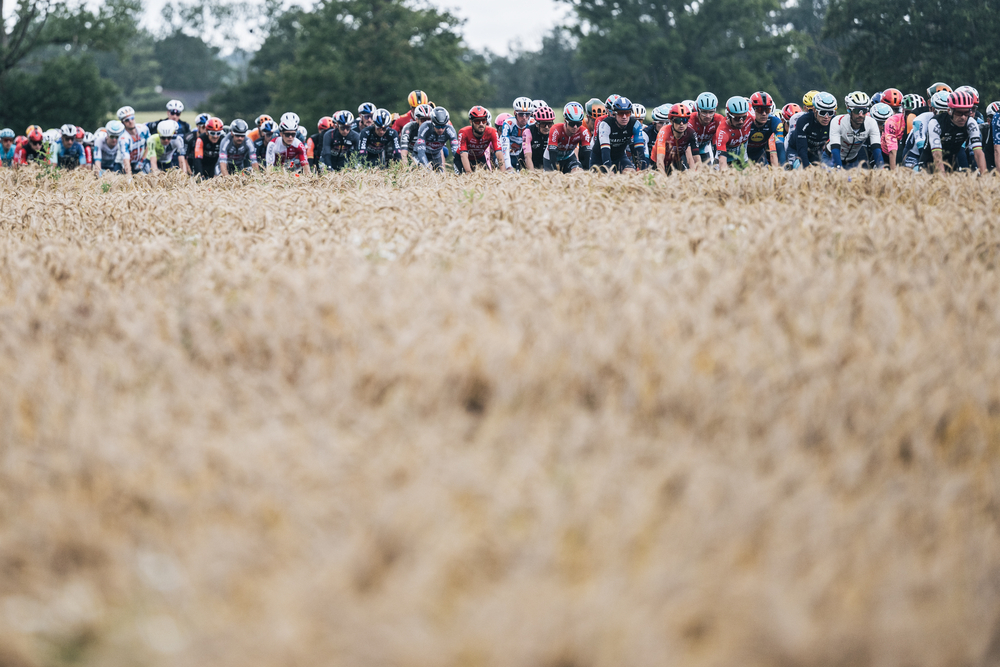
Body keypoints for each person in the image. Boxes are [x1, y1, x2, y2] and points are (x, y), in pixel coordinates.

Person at [923, 90, 987, 174]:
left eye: (967, 112)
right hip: (929, 160)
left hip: (951, 161)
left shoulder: (971, 122)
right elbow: (937, 155)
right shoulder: (936, 123)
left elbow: (978, 153)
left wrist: (985, 178)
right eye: (959, 112)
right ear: (949, 111)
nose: (963, 117)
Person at [824, 91, 884, 169]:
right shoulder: (837, 121)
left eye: (864, 111)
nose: (861, 115)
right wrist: (838, 168)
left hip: (852, 161)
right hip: (831, 158)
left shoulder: (871, 123)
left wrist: (882, 169)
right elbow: (835, 149)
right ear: (849, 110)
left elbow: (876, 150)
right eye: (857, 111)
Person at [595, 96, 645, 173]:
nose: (624, 117)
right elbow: (605, 151)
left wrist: (642, 169)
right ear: (615, 114)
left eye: (627, 113)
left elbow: (639, 151)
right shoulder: (605, 124)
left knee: (631, 173)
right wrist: (609, 170)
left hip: (619, 156)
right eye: (621, 113)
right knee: (606, 177)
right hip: (600, 156)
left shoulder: (635, 125)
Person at [790, 91, 837, 168]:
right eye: (823, 112)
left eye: (830, 112)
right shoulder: (803, 121)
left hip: (815, 151)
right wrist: (807, 168)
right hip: (795, 149)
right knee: (799, 168)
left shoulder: (834, 122)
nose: (826, 116)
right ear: (814, 110)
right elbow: (802, 151)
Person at [544, 102, 589, 173]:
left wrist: (588, 173)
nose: (575, 127)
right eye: (572, 123)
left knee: (579, 173)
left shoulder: (583, 131)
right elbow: (552, 153)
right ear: (565, 121)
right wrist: (555, 172)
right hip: (552, 157)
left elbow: (587, 154)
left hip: (569, 157)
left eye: (578, 124)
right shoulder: (556, 129)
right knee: (553, 179)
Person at [654, 103, 697, 174]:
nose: (681, 123)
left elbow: (691, 158)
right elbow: (660, 159)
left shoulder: (689, 132)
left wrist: (695, 176)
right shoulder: (664, 131)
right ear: (671, 121)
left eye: (685, 120)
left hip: (675, 162)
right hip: (658, 162)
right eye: (677, 120)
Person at [457, 105, 501, 173]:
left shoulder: (492, 131)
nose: (481, 124)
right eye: (477, 121)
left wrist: (504, 174)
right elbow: (463, 155)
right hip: (461, 158)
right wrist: (469, 173)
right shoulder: (463, 132)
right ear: (471, 122)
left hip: (479, 157)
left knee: (488, 178)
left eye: (484, 121)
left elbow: (499, 153)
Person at [746, 91, 784, 167]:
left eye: (767, 110)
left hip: (759, 155)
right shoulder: (746, 121)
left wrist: (781, 171)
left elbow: (780, 147)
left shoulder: (774, 122)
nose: (764, 114)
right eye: (760, 110)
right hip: (743, 154)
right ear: (752, 110)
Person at [415, 107, 460, 171]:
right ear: (432, 123)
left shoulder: (450, 130)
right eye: (438, 126)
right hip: (421, 153)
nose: (440, 129)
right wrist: (427, 167)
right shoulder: (425, 127)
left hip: (436, 155)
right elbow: (421, 152)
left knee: (441, 176)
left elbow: (456, 153)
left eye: (443, 126)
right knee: (425, 172)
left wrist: (458, 169)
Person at [715, 96, 752, 171]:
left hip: (742, 158)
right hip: (726, 160)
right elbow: (722, 159)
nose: (741, 121)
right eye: (737, 118)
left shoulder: (751, 116)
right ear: (728, 115)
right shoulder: (722, 131)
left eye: (743, 117)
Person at [116, 106, 153, 175]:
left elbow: (150, 144)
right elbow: (126, 160)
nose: (130, 121)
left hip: (139, 161)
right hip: (122, 163)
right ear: (122, 123)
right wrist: (129, 177)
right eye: (127, 120)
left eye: (132, 118)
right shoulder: (123, 138)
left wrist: (143, 160)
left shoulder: (143, 129)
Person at [501, 97, 533, 171]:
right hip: (509, 155)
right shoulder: (508, 123)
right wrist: (508, 166)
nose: (524, 117)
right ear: (515, 113)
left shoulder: (532, 122)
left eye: (527, 114)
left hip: (524, 156)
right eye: (521, 114)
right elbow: (505, 146)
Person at [689, 92, 723, 164]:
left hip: (704, 148)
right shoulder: (691, 119)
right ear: (698, 110)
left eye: (711, 112)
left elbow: (720, 143)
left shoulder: (719, 119)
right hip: (689, 148)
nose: (707, 116)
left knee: (709, 170)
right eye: (704, 112)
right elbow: (687, 144)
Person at [523, 104, 552, 170]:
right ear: (536, 124)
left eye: (549, 124)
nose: (547, 127)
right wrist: (533, 174)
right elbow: (527, 157)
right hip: (526, 163)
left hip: (543, 163)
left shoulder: (554, 131)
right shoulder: (528, 131)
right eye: (543, 124)